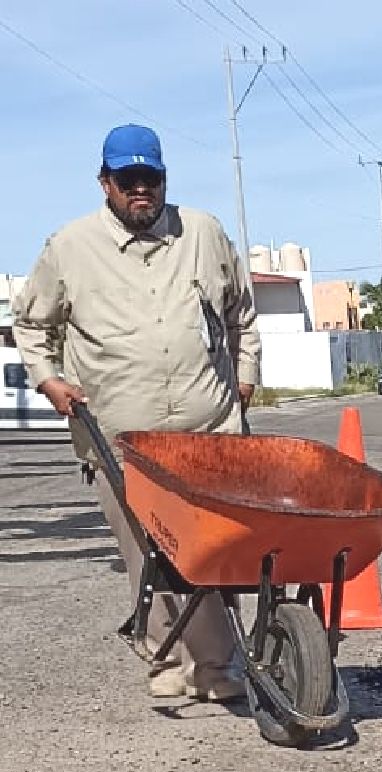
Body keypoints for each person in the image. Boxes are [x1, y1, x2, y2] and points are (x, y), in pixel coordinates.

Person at [13, 124, 261, 702]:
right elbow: (32, 324)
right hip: (118, 437)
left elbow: (241, 317)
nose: (139, 190)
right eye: (127, 180)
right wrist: (50, 382)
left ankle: (219, 668)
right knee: (147, 554)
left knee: (216, 551)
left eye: (149, 178)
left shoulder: (203, 232)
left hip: (209, 430)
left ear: (164, 179)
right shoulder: (69, 246)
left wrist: (246, 378)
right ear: (106, 183)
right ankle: (167, 663)